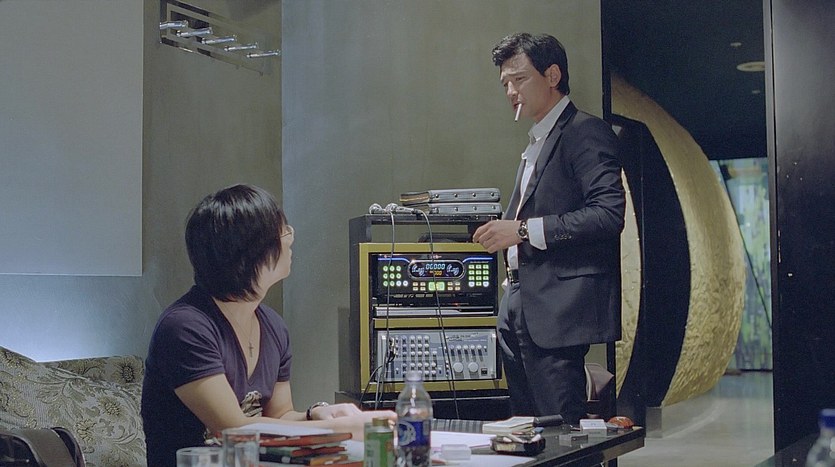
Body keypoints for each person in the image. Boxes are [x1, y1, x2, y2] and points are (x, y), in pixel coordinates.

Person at [141, 184, 395, 466]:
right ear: (249, 252)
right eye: (282, 230)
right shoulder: (185, 327)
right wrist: (341, 429)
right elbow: (233, 429)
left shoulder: (272, 325)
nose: (291, 237)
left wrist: (316, 414)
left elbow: (280, 417)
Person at [473, 33, 625, 424]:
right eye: (505, 83)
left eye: (520, 79)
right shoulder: (538, 140)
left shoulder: (585, 131)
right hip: (520, 301)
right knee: (525, 428)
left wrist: (522, 231)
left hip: (556, 310)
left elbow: (608, 214)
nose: (511, 91)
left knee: (560, 432)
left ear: (552, 75)